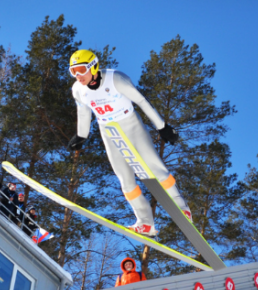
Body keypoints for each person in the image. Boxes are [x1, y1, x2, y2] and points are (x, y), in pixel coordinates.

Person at [67, 50, 186, 237]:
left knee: (154, 167)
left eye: (81, 70)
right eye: (73, 71)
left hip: (130, 123)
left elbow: (142, 101)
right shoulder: (78, 90)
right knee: (125, 178)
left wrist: (162, 127)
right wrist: (81, 136)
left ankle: (181, 207)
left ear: (93, 66)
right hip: (108, 130)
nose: (78, 76)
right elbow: (83, 113)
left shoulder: (116, 79)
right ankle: (145, 223)